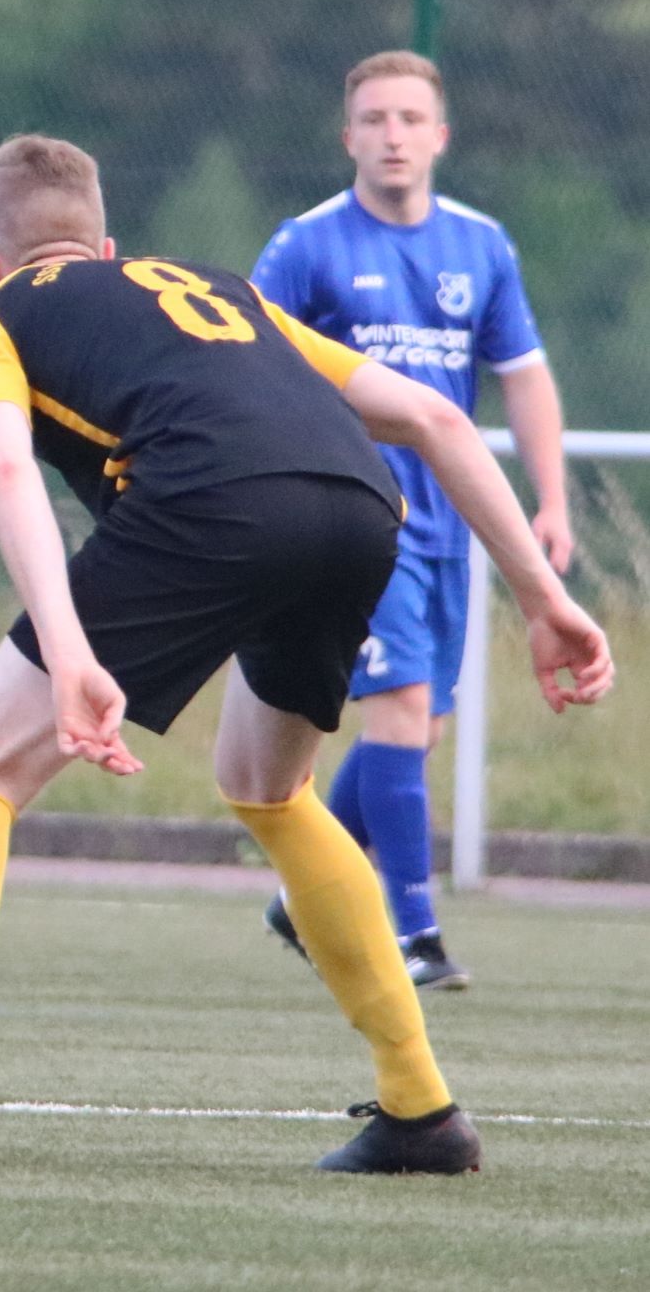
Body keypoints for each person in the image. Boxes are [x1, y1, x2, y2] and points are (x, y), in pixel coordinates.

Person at [0, 135, 609, 1175]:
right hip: (358, 508)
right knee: (270, 788)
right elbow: (431, 416)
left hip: (208, 501)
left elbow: (9, 471)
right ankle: (421, 1110)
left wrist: (69, 650)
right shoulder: (222, 290)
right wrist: (545, 598)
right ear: (107, 246)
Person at [250, 50, 568, 991]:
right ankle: (417, 936)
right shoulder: (305, 245)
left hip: (449, 527)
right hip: (351, 520)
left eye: (410, 119)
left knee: (418, 729)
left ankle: (299, 897)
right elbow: (248, 363)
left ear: (440, 136)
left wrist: (550, 501)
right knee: (396, 712)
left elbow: (524, 378)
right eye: (375, 119)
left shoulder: (482, 246)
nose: (393, 136)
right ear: (347, 136)